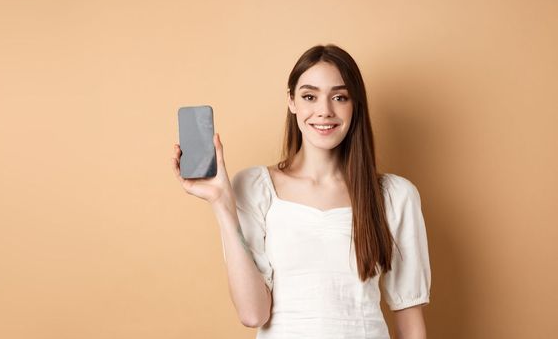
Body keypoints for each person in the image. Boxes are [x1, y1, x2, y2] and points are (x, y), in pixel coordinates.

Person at [170, 44, 431, 339]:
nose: (324, 111)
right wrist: (221, 203)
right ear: (292, 101)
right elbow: (253, 313)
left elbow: (410, 322)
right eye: (310, 96)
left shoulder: (395, 196)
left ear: (355, 104)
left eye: (339, 97)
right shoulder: (255, 188)